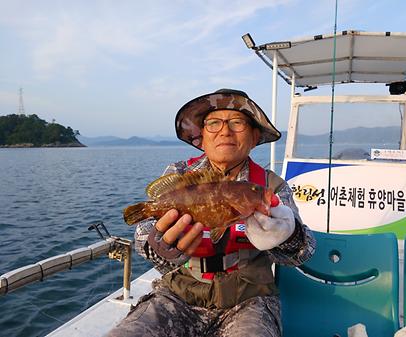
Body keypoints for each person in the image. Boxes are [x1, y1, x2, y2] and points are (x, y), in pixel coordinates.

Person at [107, 89, 316, 337]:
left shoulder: (270, 187)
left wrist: (287, 234)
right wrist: (160, 247)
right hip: (178, 296)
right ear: (202, 137)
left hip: (249, 300)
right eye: (214, 123)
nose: (225, 131)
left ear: (254, 136)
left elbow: (302, 253)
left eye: (237, 123)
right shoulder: (180, 174)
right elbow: (143, 237)